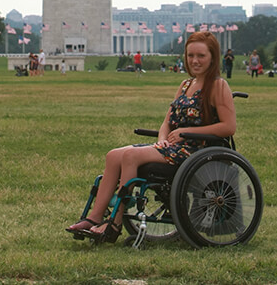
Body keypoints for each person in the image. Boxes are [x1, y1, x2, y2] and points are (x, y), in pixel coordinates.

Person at [66, 32, 236, 243]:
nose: (195, 60)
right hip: (172, 148)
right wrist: (162, 139)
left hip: (196, 151)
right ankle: (94, 218)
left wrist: (185, 134)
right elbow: (167, 121)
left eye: (201, 55)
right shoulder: (185, 85)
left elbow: (228, 127)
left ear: (212, 57)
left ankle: (115, 223)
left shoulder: (218, 86)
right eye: (191, 55)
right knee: (113, 156)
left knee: (130, 156)